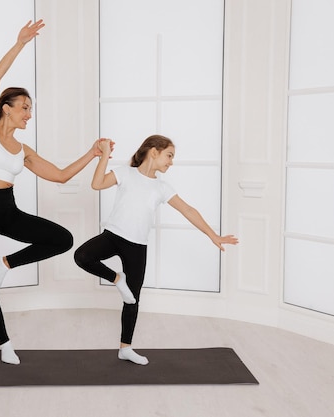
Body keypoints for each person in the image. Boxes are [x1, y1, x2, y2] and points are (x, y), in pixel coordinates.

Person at [0, 19, 110, 365]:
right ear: (7, 109)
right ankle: (5, 344)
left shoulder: (23, 149)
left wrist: (92, 155)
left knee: (62, 239)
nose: (29, 114)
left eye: (30, 109)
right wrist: (19, 44)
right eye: (25, 108)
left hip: (8, 210)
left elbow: (59, 176)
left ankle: (8, 264)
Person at [74, 135, 239, 365]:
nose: (171, 162)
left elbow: (188, 210)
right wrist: (102, 156)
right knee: (82, 256)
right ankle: (116, 279)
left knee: (132, 300)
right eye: (169, 155)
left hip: (137, 246)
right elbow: (97, 184)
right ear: (154, 151)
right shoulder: (125, 173)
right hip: (113, 236)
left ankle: (126, 348)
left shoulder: (162, 187)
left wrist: (213, 235)